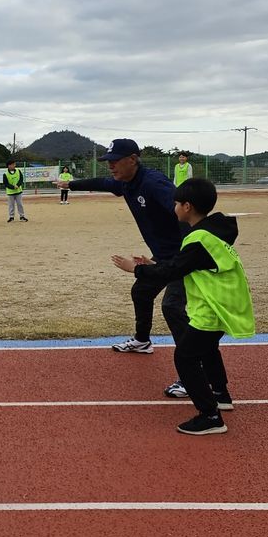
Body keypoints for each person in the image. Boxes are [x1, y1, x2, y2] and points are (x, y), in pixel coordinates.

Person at [112, 178, 254, 435]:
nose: (174, 207)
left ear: (187, 207)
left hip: (212, 307)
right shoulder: (210, 232)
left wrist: (136, 269)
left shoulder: (198, 239)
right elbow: (183, 265)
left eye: (176, 203)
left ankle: (211, 416)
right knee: (208, 350)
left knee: (185, 356)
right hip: (220, 304)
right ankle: (221, 394)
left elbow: (175, 269)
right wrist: (153, 265)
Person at [55, 138, 190, 397]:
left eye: (116, 161)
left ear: (133, 158)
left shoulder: (153, 182)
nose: (111, 166)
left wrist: (188, 254)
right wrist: (70, 184)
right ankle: (142, 341)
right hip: (163, 256)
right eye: (109, 161)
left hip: (183, 256)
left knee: (173, 308)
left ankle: (192, 375)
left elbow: (182, 211)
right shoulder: (126, 183)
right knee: (142, 292)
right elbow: (102, 184)